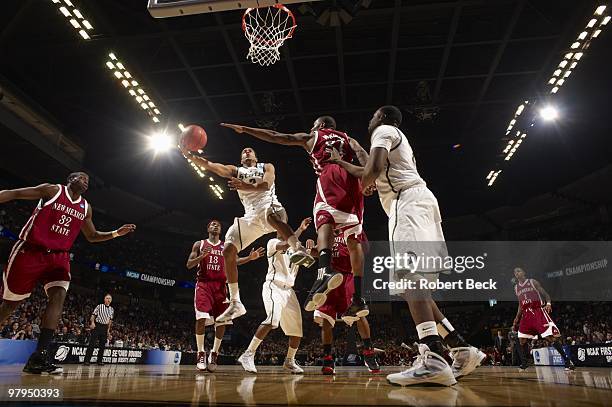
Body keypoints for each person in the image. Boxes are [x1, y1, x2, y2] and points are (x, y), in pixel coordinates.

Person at [328, 105, 484, 386]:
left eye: (372, 115)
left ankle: (434, 359)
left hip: (407, 205)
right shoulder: (394, 139)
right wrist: (344, 162)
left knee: (410, 278)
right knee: (417, 284)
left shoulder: (383, 130)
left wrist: (361, 186)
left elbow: (371, 170)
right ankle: (459, 347)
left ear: (381, 118)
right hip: (421, 204)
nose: (369, 118)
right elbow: (369, 167)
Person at [221, 119, 370, 320]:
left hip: (331, 175)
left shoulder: (313, 136)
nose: (310, 129)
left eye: (313, 126)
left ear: (319, 126)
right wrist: (369, 177)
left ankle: (325, 271)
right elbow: (362, 154)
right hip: (355, 181)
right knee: (353, 237)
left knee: (324, 217)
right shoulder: (348, 138)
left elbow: (277, 137)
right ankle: (359, 298)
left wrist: (245, 128)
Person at [0, 173, 135, 374]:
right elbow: (14, 193)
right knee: (10, 305)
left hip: (59, 257)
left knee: (59, 296)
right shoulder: (52, 190)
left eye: (88, 180)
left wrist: (116, 233)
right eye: (81, 177)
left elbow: (92, 236)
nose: (86, 180)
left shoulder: (85, 207)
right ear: (69, 179)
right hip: (31, 250)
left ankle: (39, 356)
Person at [179, 145, 315, 324]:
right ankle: (236, 302)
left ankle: (298, 248)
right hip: (251, 217)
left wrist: (243, 185)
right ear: (241, 159)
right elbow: (210, 165)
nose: (247, 151)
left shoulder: (266, 167)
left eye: (251, 150)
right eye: (244, 151)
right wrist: (190, 155)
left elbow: (266, 185)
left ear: (256, 157)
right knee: (227, 250)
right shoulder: (235, 171)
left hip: (270, 207)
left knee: (272, 215)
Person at [186, 219, 264, 372]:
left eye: (218, 225)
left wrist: (249, 258)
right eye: (212, 224)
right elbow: (189, 264)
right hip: (204, 284)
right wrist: (202, 257)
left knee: (222, 322)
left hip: (221, 287)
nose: (215, 226)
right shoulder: (199, 244)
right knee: (201, 318)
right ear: (208, 228)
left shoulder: (225, 246)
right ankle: (200, 353)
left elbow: (234, 261)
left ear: (220, 230)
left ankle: (214, 353)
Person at [237, 217, 311, 374]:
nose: (282, 230)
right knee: (272, 320)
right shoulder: (272, 243)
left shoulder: (296, 248)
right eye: (280, 228)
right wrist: (299, 231)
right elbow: (285, 244)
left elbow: (309, 259)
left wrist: (310, 247)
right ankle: (248, 354)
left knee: (297, 331)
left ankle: (289, 361)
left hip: (289, 291)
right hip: (273, 286)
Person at [306, 233, 380, 375]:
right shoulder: (325, 230)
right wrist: (310, 249)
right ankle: (327, 358)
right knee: (326, 319)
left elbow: (365, 249)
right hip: (330, 279)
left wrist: (349, 250)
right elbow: (319, 254)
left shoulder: (352, 225)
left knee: (358, 313)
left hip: (348, 277)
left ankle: (369, 353)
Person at [512, 267, 575, 371]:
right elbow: (520, 304)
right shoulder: (516, 288)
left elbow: (545, 293)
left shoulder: (532, 282)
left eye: (519, 271)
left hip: (537, 311)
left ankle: (567, 361)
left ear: (524, 272)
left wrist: (549, 303)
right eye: (515, 272)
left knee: (550, 338)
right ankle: (524, 363)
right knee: (520, 340)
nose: (517, 273)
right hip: (526, 315)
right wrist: (517, 317)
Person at [84, 293, 114, 365]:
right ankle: (87, 360)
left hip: (105, 327)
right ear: (104, 299)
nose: (108, 299)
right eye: (107, 298)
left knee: (102, 345)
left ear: (111, 300)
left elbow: (110, 321)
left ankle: (99, 361)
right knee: (92, 343)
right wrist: (92, 323)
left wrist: (108, 330)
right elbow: (93, 315)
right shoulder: (99, 306)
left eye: (109, 298)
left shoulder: (112, 309)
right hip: (97, 326)